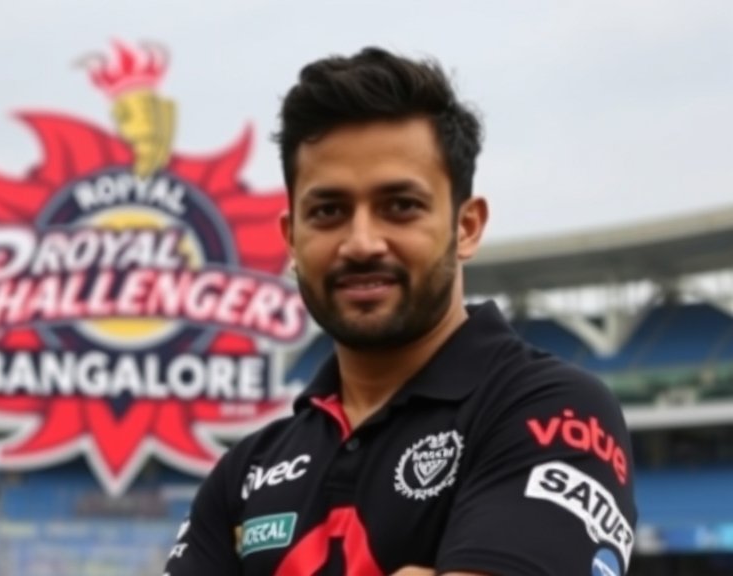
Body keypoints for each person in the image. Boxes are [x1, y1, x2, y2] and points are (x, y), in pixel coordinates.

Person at [162, 46, 637, 576]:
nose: (361, 242)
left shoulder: (556, 413)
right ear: (291, 237)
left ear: (467, 226)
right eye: (328, 212)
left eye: (400, 206)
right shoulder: (245, 470)